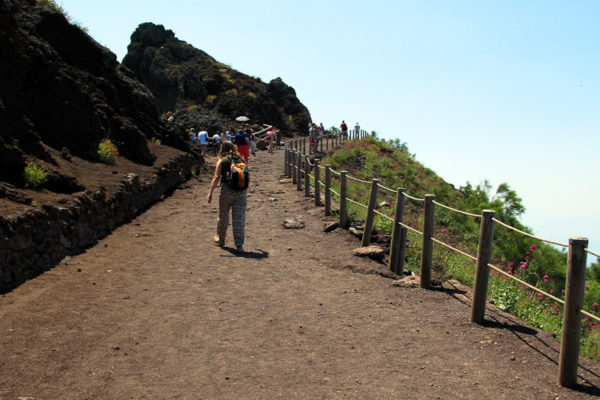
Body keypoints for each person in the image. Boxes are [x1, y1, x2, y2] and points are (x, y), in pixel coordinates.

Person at [207, 141, 247, 252]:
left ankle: (221, 239)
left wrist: (210, 192)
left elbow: (216, 177)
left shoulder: (222, 161)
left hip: (227, 191)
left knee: (223, 215)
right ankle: (239, 244)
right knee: (239, 218)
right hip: (241, 192)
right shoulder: (241, 159)